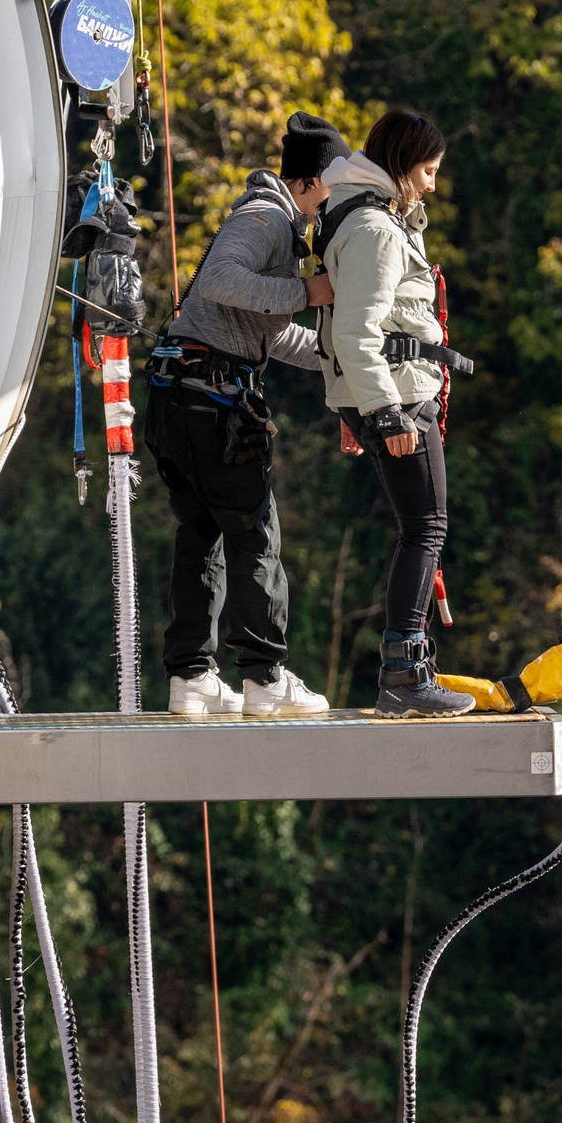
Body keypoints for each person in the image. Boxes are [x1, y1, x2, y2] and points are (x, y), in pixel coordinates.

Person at [147, 113, 350, 717]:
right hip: (211, 402)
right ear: (315, 182)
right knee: (256, 532)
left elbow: (261, 332)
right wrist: (306, 293)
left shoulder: (272, 220)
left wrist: (339, 358)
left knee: (200, 534)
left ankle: (192, 677)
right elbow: (220, 281)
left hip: (178, 395)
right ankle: (265, 678)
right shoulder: (266, 218)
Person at [315, 109, 473, 717]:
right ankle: (404, 673)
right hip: (400, 398)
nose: (432, 184)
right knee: (426, 527)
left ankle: (408, 669)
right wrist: (383, 413)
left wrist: (358, 404)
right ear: (402, 163)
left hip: (394, 393)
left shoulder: (372, 218)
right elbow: (356, 331)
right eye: (427, 170)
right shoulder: (377, 229)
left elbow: (345, 329)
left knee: (421, 527)